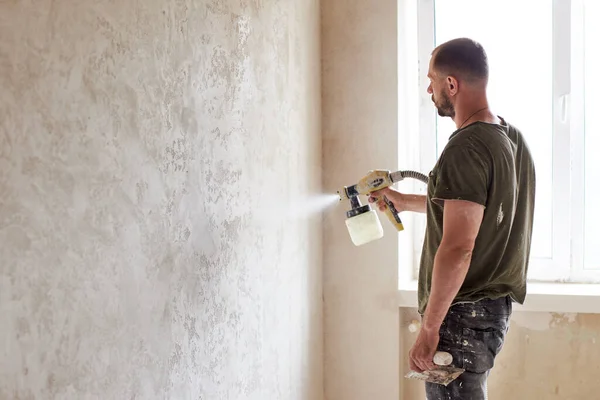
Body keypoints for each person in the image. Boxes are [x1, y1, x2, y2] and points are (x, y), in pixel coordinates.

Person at [370, 38, 536, 399]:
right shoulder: (511, 138)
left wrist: (429, 329)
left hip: (461, 316)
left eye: (432, 79)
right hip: (490, 313)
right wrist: (403, 200)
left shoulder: (466, 146)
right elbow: (475, 210)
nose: (428, 88)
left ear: (451, 84)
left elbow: (459, 245)